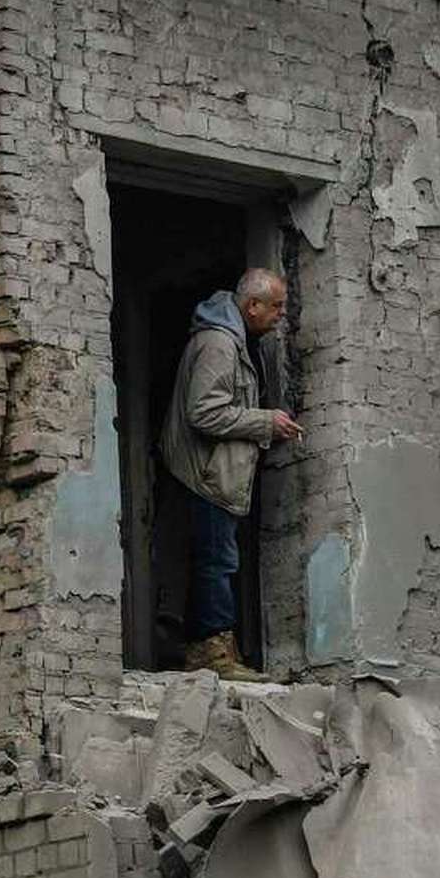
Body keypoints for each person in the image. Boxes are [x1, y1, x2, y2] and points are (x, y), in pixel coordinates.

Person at [160, 267, 303, 681]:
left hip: (215, 472)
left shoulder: (236, 340)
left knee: (216, 560)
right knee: (216, 562)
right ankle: (212, 654)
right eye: (276, 306)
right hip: (206, 474)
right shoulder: (220, 344)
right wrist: (265, 423)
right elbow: (203, 411)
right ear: (252, 306)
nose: (281, 314)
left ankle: (217, 649)